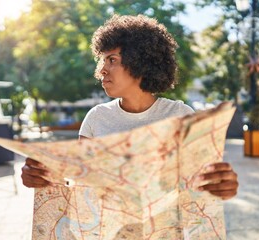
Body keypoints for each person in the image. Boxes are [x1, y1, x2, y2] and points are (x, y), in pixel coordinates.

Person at [21, 14, 238, 200]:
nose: (102, 70)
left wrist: (223, 187)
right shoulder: (96, 119)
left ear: (140, 63)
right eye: (102, 60)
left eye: (112, 60)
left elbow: (203, 183)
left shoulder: (181, 116)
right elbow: (82, 188)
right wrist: (46, 179)